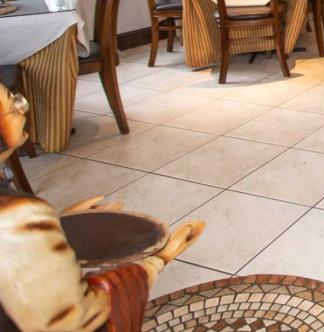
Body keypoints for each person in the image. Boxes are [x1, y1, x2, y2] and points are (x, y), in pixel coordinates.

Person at [0, 80, 204, 331]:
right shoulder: (17, 216)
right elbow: (77, 321)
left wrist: (60, 223)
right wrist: (158, 260)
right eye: (13, 102)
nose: (22, 107)